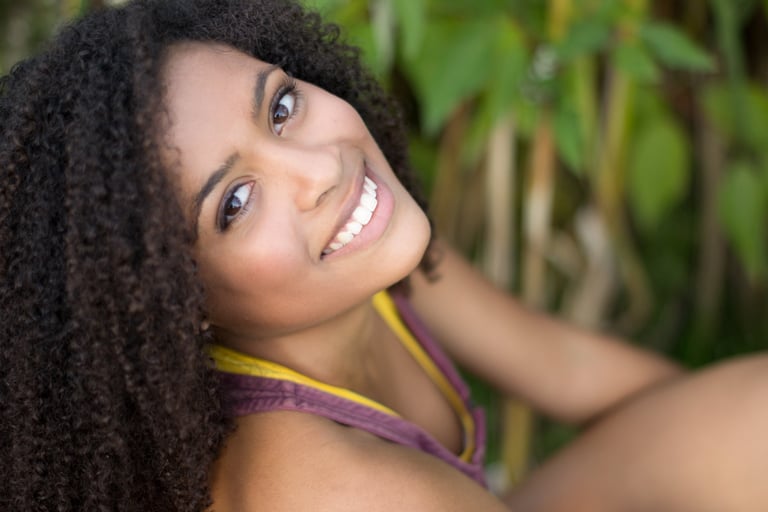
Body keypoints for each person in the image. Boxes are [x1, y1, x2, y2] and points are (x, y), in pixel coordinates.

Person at [1, 0, 767, 511]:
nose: (321, 170)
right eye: (234, 202)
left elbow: (567, 366)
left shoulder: (366, 262)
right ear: (170, 305)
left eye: (281, 106)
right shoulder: (323, 487)